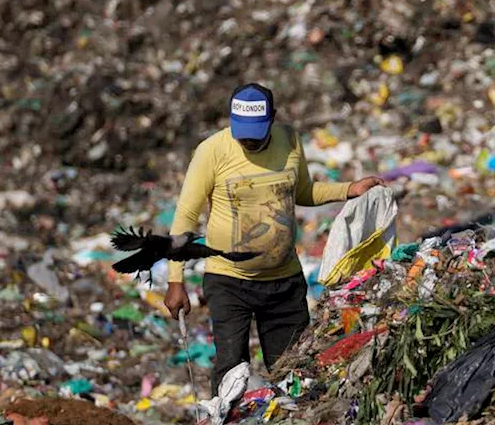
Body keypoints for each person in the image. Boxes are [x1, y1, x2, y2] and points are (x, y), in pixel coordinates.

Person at [163, 83, 383, 394]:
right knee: (231, 370)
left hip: (283, 281)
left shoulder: (289, 139)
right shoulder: (211, 151)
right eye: (243, 132)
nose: (250, 139)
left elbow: (303, 192)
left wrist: (348, 189)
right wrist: (175, 280)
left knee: (294, 371)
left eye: (257, 131)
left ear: (273, 118)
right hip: (228, 281)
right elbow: (185, 216)